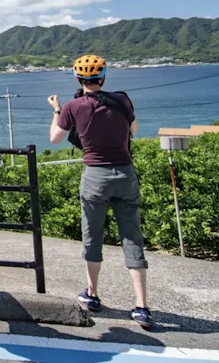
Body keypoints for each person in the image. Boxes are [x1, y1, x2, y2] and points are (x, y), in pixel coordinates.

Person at [47, 54, 153, 330]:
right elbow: (134, 129)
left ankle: (92, 294)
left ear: (78, 78)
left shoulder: (73, 106)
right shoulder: (123, 100)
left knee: (92, 236)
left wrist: (57, 110)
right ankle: (141, 307)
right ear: (103, 77)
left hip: (95, 176)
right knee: (132, 237)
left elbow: (55, 139)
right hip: (125, 174)